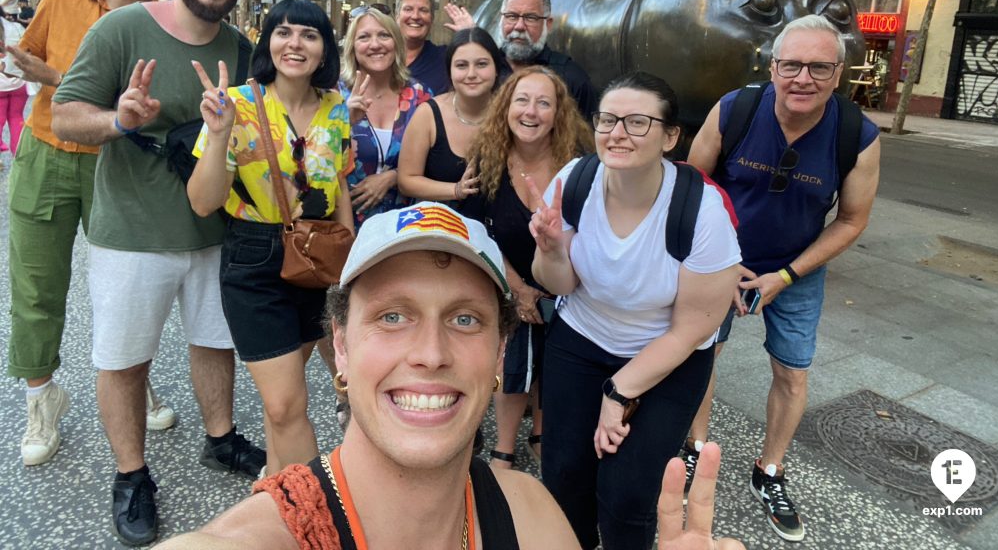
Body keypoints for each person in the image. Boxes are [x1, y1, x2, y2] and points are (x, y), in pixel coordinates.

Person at [153, 202, 746, 550]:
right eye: (392, 316)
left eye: (465, 319)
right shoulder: (267, 537)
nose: (430, 353)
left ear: (498, 353)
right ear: (340, 343)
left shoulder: (531, 517)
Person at [51, 0, 265, 546]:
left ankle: (221, 438)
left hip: (214, 229)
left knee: (213, 341)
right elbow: (65, 113)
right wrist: (119, 118)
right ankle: (130, 474)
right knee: (123, 358)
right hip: (130, 234)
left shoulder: (243, 48)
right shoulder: (124, 28)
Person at [685, 14, 880, 542]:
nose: (803, 78)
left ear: (838, 74)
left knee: (792, 373)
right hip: (720, 260)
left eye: (819, 67)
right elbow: (692, 186)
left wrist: (787, 276)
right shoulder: (734, 110)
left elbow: (853, 220)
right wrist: (720, 261)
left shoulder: (856, 135)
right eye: (791, 64)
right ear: (772, 67)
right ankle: (694, 450)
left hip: (797, 268)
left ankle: (768, 470)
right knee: (702, 356)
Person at [529, 71, 741, 550]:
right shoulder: (573, 182)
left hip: (670, 356)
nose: (617, 132)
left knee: (627, 495)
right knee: (564, 477)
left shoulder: (701, 210)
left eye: (638, 122)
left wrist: (619, 391)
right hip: (581, 339)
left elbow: (692, 330)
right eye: (607, 119)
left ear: (670, 137)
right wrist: (550, 249)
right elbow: (558, 284)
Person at [3, 0, 177, 470]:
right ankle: (41, 398)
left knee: (127, 289)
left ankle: (132, 381)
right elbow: (28, 62)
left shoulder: (167, 19)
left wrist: (59, 77)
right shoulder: (60, 4)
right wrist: (45, 74)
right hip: (47, 151)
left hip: (122, 163)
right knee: (36, 283)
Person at [188, 0, 355, 475]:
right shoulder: (238, 103)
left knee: (283, 399)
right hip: (255, 258)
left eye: (309, 34)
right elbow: (203, 202)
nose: (295, 43)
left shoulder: (335, 106)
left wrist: (348, 258)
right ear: (268, 42)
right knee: (286, 404)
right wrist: (218, 134)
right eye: (283, 32)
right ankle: (317, 513)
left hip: (317, 257)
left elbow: (339, 181)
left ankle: (278, 493)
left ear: (325, 49)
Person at [461, 66, 592, 471]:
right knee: (512, 360)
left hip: (567, 279)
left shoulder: (580, 163)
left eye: (543, 102)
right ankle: (504, 446)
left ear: (559, 113)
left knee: (557, 361)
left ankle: (541, 431)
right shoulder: (488, 157)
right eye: (522, 100)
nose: (531, 111)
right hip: (506, 275)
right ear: (506, 107)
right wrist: (516, 288)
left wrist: (555, 280)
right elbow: (476, 230)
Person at [338, 5, 430, 228]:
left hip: (406, 228)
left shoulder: (419, 96)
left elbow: (436, 161)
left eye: (384, 35)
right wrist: (343, 122)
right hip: (346, 230)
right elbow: (314, 163)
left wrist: (392, 178)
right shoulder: (332, 96)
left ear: (396, 43)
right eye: (364, 37)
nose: (375, 44)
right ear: (352, 47)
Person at [397, 27, 508, 205]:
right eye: (461, 65)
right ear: (449, 71)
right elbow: (406, 180)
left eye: (481, 64)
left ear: (496, 69)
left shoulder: (510, 114)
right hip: (440, 226)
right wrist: (456, 190)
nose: (471, 74)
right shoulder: (428, 114)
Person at [396, 0, 449, 95]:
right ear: (397, 16)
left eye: (423, 10)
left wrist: (470, 34)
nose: (415, 16)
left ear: (432, 18)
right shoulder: (380, 57)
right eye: (408, 9)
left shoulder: (445, 59)